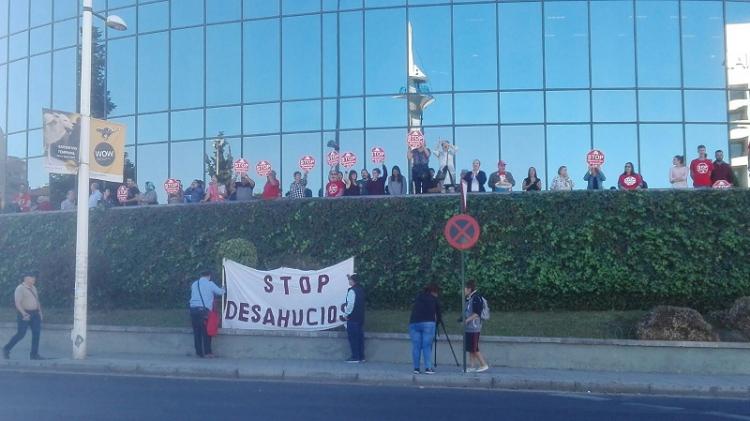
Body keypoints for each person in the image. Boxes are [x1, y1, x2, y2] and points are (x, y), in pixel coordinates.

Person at [3, 272, 44, 360]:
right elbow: (17, 303)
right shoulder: (20, 288)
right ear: (26, 278)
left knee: (36, 334)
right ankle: (6, 348)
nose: (34, 279)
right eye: (32, 277)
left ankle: (34, 354)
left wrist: (40, 312)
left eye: (34, 277)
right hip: (25, 314)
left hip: (35, 313)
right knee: (21, 334)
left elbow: (37, 300)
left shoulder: (33, 288)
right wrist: (23, 313)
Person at [188, 270, 225, 358]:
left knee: (197, 332)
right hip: (203, 311)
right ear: (209, 276)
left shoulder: (194, 284)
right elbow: (221, 292)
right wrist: (223, 288)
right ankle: (208, 352)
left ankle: (199, 352)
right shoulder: (210, 284)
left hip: (193, 310)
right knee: (206, 332)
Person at [409, 283, 442, 375]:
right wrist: (438, 322)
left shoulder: (419, 297)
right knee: (427, 346)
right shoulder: (434, 299)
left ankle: (416, 368)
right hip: (428, 323)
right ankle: (428, 368)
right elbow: (438, 313)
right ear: (434, 292)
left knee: (416, 346)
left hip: (414, 322)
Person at [463, 281, 489, 373]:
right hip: (470, 327)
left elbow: (477, 313)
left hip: (474, 327)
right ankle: (472, 366)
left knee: (474, 347)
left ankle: (483, 364)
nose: (463, 291)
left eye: (464, 289)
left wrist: (467, 320)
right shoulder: (469, 298)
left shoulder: (476, 298)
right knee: (470, 348)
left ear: (469, 289)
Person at [343, 273, 365, 363]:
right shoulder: (361, 289)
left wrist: (346, 314)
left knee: (353, 338)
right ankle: (361, 356)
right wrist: (349, 276)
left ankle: (355, 357)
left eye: (350, 280)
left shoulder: (352, 291)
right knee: (359, 337)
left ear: (353, 281)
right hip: (360, 317)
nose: (349, 281)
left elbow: (350, 304)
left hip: (353, 318)